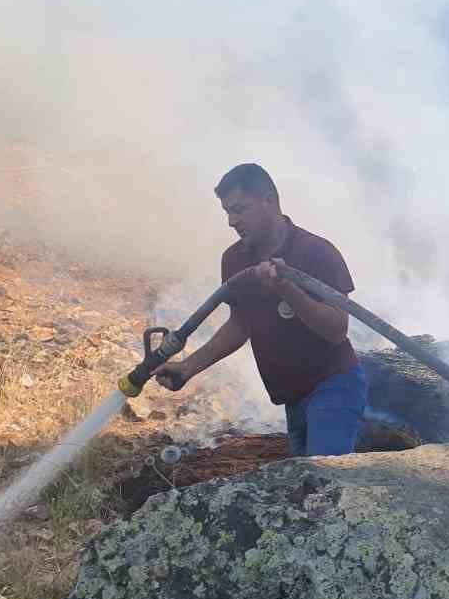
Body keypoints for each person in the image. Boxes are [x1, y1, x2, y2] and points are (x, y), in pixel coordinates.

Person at [154, 163, 368, 455]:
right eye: (228, 212)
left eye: (239, 209)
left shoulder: (316, 251)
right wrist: (188, 367)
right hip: (292, 397)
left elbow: (336, 329)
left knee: (322, 481)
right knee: (308, 488)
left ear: (268, 200)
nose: (231, 221)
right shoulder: (234, 259)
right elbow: (240, 324)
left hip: (334, 386)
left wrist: (288, 290)